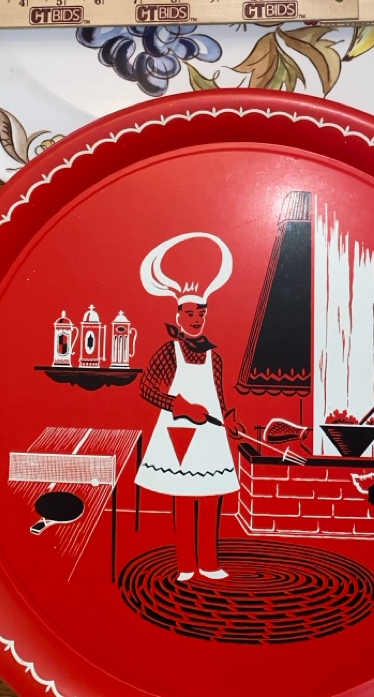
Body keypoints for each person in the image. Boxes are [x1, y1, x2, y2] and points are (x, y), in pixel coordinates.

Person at [135, 233, 244, 582]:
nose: (197, 319)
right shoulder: (170, 352)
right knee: (183, 498)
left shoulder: (214, 356)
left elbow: (219, 396)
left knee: (212, 496)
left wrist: (228, 419)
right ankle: (186, 564)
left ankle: (209, 563)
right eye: (191, 313)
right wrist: (178, 405)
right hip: (178, 433)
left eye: (201, 314)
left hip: (211, 435)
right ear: (179, 315)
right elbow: (146, 388)